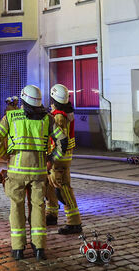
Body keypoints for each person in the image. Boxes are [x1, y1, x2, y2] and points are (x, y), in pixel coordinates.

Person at [0, 85, 67, 261]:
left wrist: (4, 155)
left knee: (16, 208)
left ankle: (18, 249)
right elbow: (63, 141)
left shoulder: (11, 116)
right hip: (39, 172)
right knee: (39, 207)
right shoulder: (47, 119)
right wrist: (51, 159)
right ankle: (39, 248)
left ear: (23, 100)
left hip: (16, 172)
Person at [45, 83, 82, 234]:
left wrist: (52, 157)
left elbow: (59, 140)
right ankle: (51, 214)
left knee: (62, 189)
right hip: (64, 157)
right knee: (50, 185)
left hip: (58, 158)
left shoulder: (59, 116)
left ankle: (74, 222)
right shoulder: (65, 112)